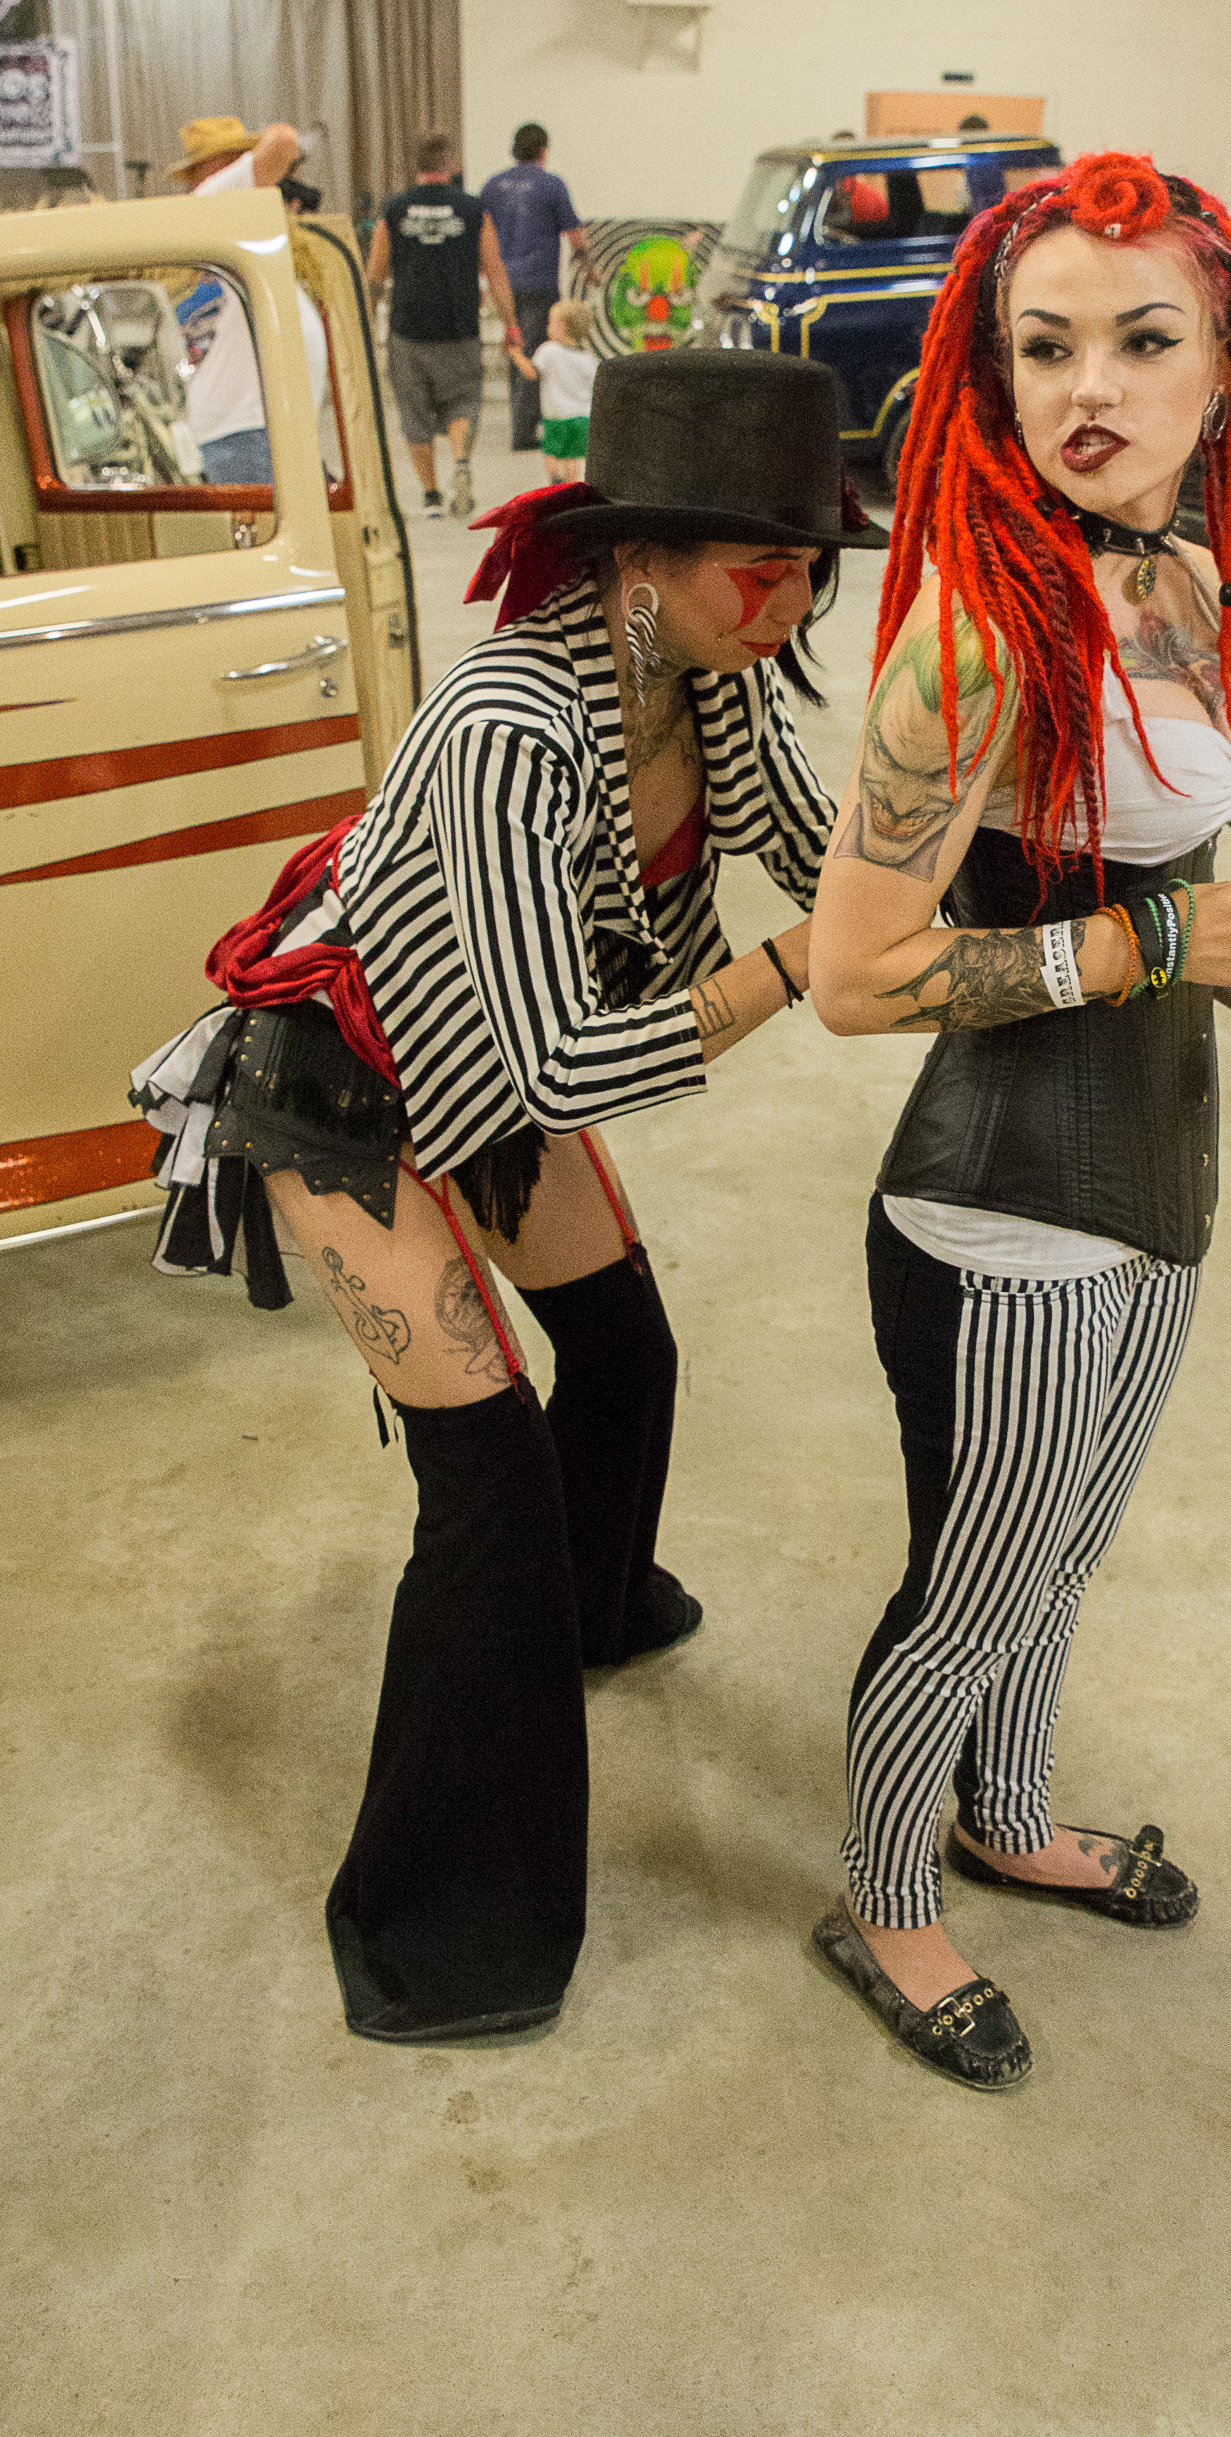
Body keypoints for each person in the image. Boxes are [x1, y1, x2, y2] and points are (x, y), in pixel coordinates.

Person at [132, 352, 884, 2047]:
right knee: (487, 1495)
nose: (789, 608)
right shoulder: (506, 729)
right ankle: (430, 1932)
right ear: (636, 562)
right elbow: (561, 1060)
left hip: (482, 1069)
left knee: (623, 1353)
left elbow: (829, 854)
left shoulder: (712, 682)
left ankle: (587, 1622)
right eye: (761, 572)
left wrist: (970, 856)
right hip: (349, 1090)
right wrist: (794, 968)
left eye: (810, 573)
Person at [804, 149, 1231, 2094]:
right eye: (1045, 345)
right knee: (973, 1586)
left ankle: (1008, 1817)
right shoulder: (975, 637)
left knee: (1063, 1562)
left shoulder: (1188, 579)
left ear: (1226, 369)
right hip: (1001, 1206)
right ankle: (884, 1899)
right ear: (992, 372)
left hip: (1161, 1173)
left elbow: (1188, 887)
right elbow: (853, 977)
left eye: (1143, 342)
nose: (1092, 388)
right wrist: (1169, 941)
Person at [366, 132, 522, 518]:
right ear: (450, 165)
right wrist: (511, 325)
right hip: (460, 327)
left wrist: (365, 321)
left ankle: (432, 496)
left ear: (417, 166)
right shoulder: (473, 209)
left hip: (408, 328)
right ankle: (461, 463)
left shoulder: (394, 210)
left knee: (414, 413)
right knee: (463, 400)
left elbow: (375, 273)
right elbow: (495, 270)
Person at [167, 114, 327, 486]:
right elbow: (284, 141)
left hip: (249, 425)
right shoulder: (216, 198)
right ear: (223, 166)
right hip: (249, 429)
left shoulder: (223, 219)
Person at [480, 120, 587, 452]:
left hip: (503, 284)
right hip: (539, 282)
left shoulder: (492, 186)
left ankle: (523, 419)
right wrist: (591, 266)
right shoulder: (552, 185)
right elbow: (575, 235)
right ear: (544, 151)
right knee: (537, 352)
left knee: (516, 345)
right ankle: (525, 429)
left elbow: (481, 236)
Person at [530, 298, 597, 482]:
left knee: (552, 452)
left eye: (551, 322)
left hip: (556, 416)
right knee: (573, 457)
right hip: (583, 417)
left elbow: (531, 372)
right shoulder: (588, 357)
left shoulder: (548, 351)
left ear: (561, 326)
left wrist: (515, 354)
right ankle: (571, 485)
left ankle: (555, 480)